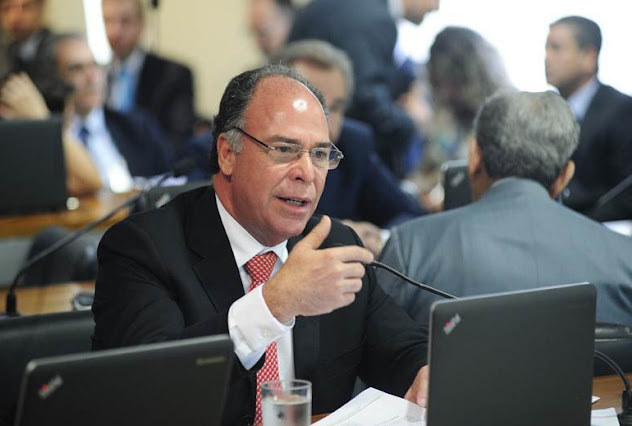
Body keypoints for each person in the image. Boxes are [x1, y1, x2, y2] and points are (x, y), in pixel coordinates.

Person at [92, 64, 429, 425]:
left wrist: (423, 372)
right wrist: (273, 304)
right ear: (227, 153)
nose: (306, 173)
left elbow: (403, 348)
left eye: (319, 154)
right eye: (284, 149)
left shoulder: (332, 246)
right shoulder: (143, 249)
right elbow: (145, 390)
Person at [376, 90, 632, 332]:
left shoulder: (410, 247)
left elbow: (371, 351)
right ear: (565, 176)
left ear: (474, 157)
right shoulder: (625, 260)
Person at [276, 39, 424, 254]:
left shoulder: (353, 144)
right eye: (312, 106)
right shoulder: (256, 149)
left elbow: (411, 215)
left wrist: (379, 238)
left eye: (336, 108)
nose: (326, 123)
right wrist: (337, 234)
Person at [288, 0, 440, 178]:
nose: (436, 7)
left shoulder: (356, 8)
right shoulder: (377, 19)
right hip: (329, 163)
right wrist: (411, 122)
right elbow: (367, 100)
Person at [406, 26, 512, 209]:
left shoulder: (506, 116)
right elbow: (427, 169)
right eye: (441, 83)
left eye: (451, 81)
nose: (446, 90)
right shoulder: (447, 113)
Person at [49, 33, 171, 192]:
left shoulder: (136, 126)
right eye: (77, 69)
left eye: (95, 65)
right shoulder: (50, 138)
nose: (92, 77)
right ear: (55, 79)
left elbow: (169, 182)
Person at [545, 16, 632, 219]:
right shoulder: (544, 110)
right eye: (546, 48)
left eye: (556, 48)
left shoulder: (622, 111)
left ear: (589, 57)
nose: (547, 58)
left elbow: (625, 193)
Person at [102, 0, 195, 146]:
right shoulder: (98, 76)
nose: (115, 31)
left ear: (141, 24)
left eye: (125, 21)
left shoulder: (173, 75)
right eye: (108, 21)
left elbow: (178, 141)